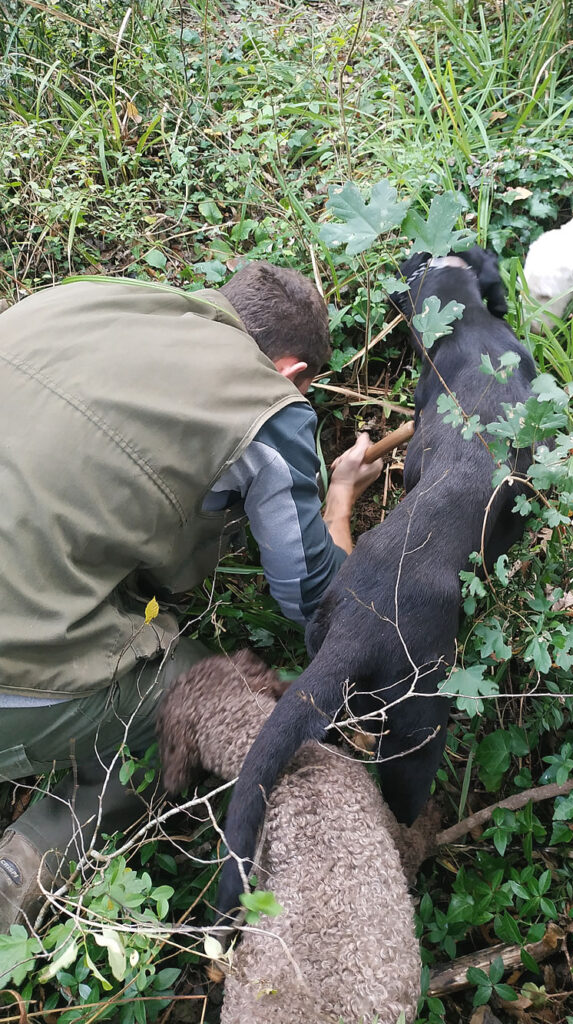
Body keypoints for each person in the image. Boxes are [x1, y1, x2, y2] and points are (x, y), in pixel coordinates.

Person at [0, 261, 383, 931]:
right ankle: (25, 867)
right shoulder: (263, 403)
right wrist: (340, 496)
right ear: (293, 373)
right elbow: (324, 602)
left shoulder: (85, 299)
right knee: (200, 701)